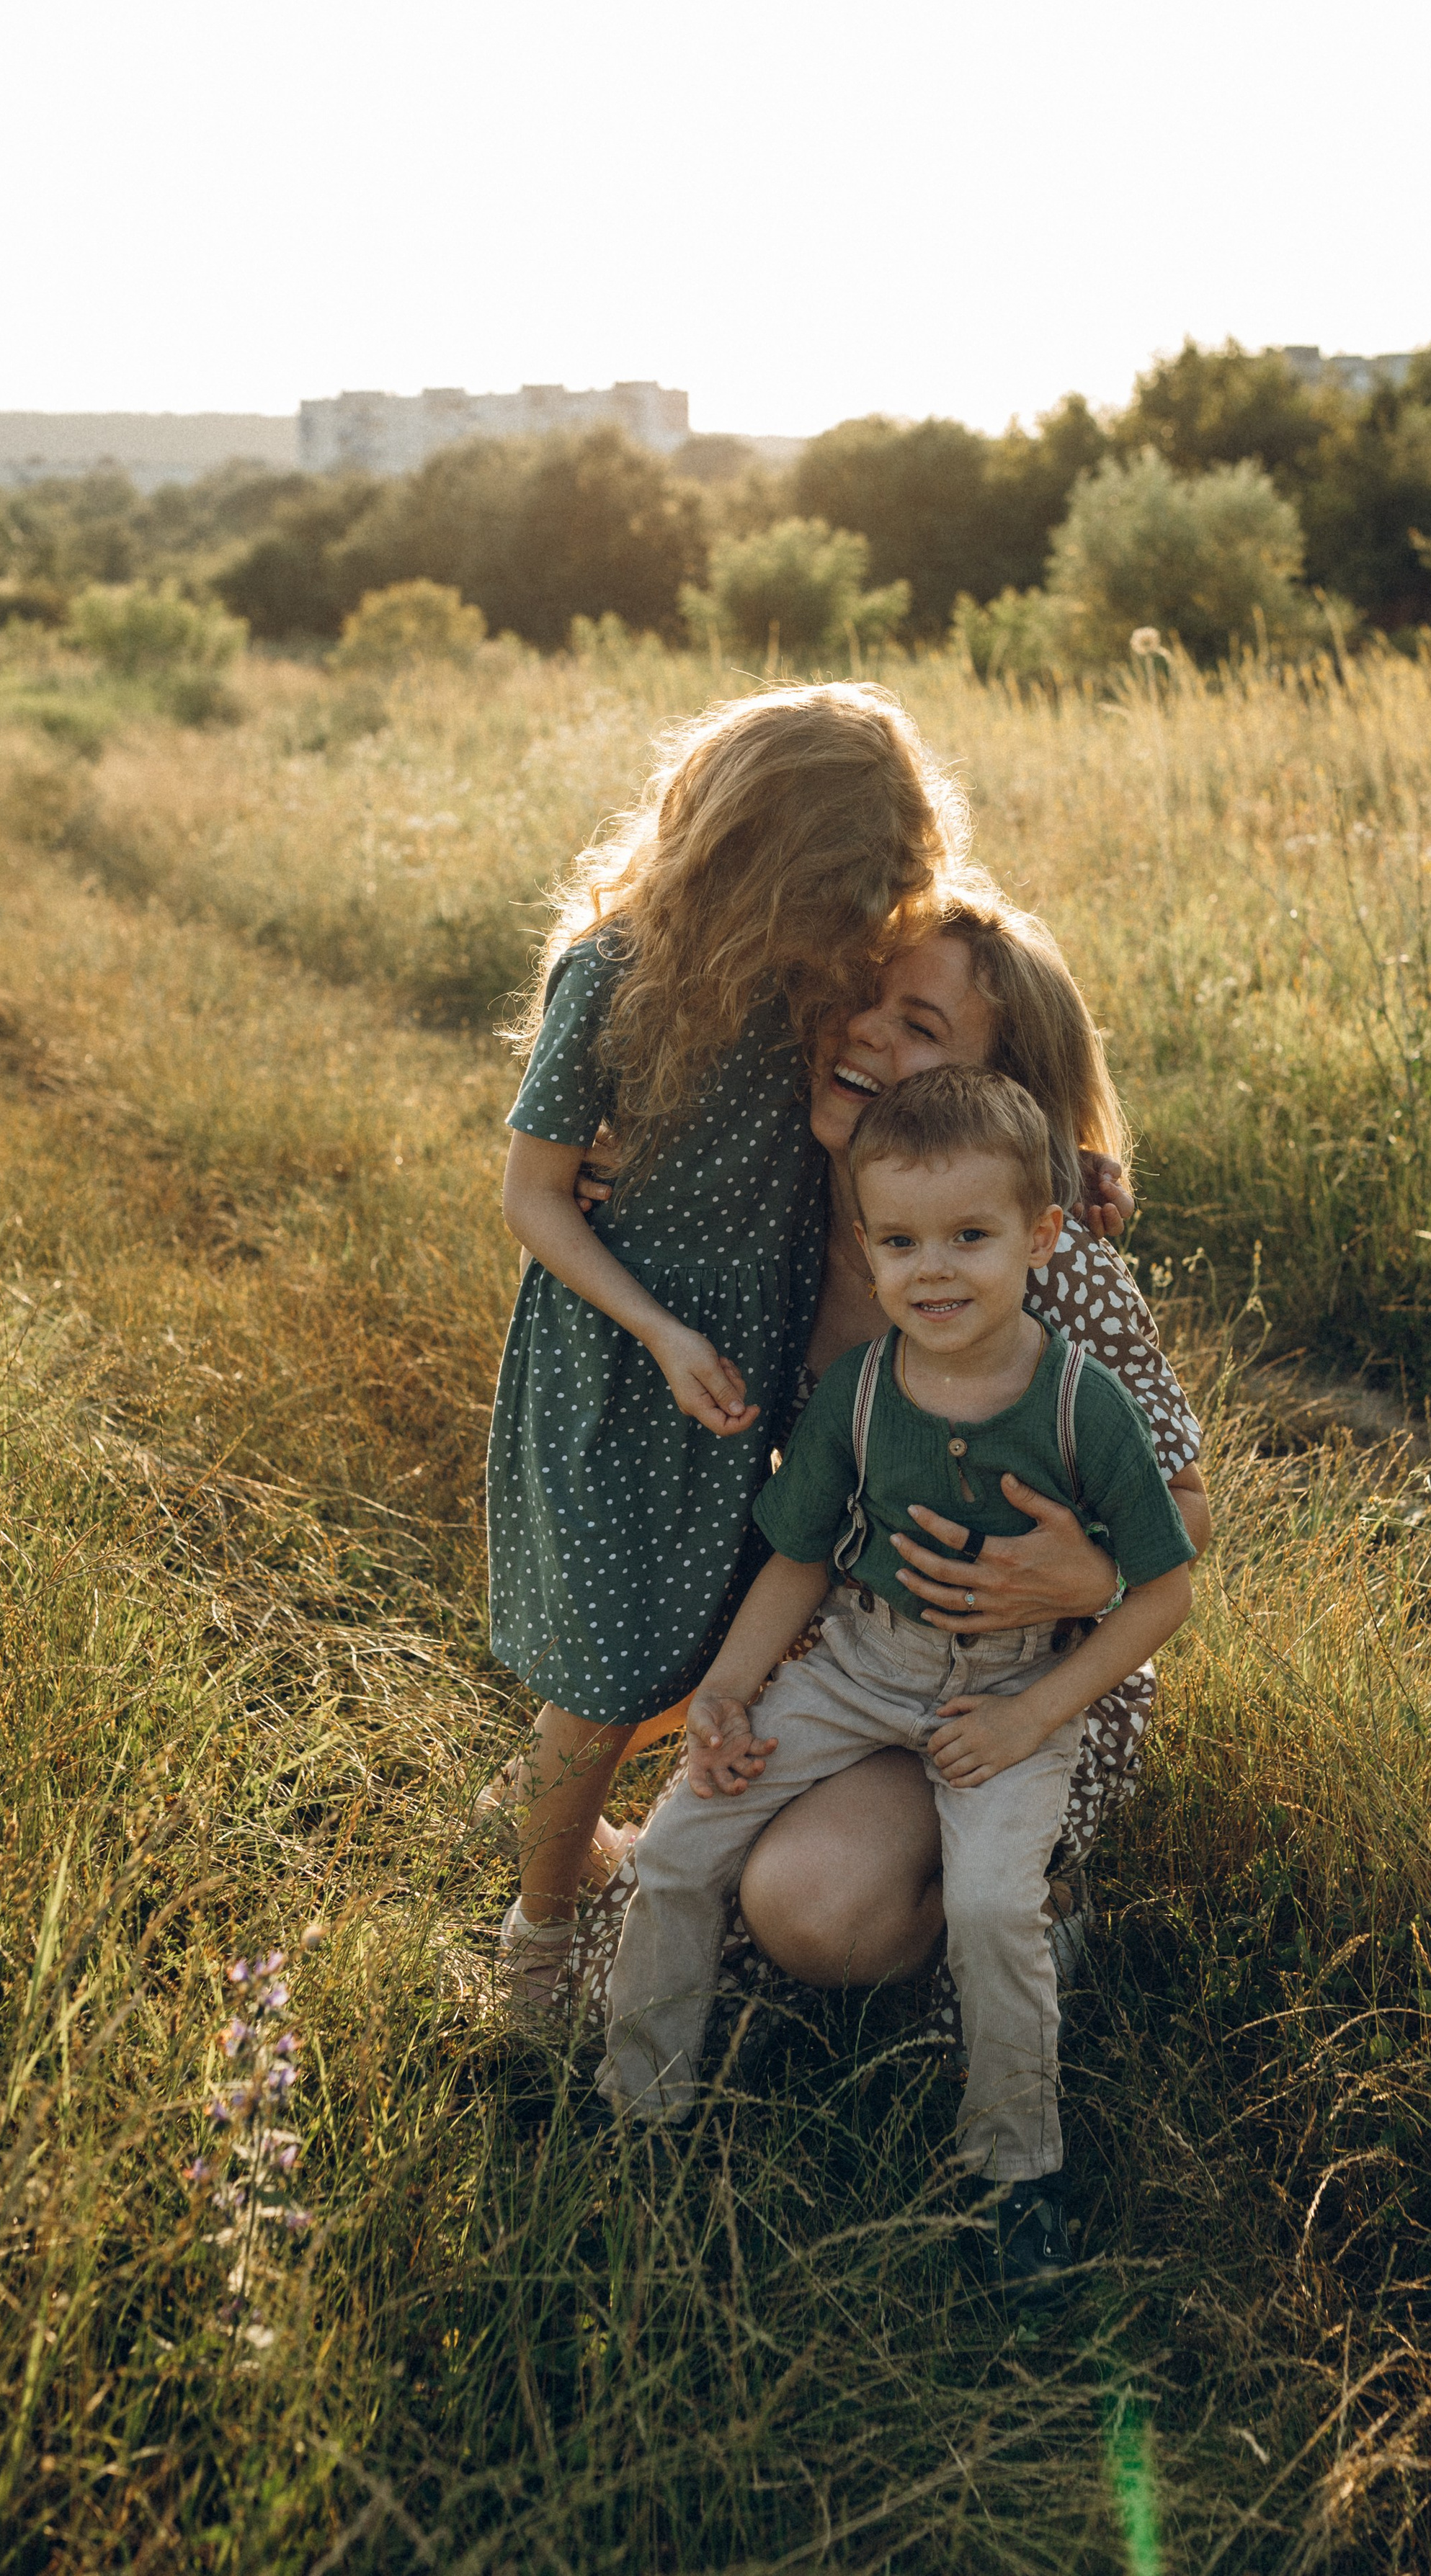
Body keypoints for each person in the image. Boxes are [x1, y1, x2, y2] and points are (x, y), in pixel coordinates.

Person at [563, 894, 1210, 2026]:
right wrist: (613, 1163)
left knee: (809, 1911)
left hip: (1029, 1679)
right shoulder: (770, 1211)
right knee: (638, 1979)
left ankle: (1020, 1906)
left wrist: (1091, 1570)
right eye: (861, 1001)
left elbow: (1188, 1520)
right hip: (842, 1651)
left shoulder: (1053, 1279)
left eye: (919, 1027)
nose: (868, 1033)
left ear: (994, 1098)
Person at [602, 1068, 1195, 2297]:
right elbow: (801, 1559)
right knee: (677, 1846)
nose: (937, 1272)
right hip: (861, 1662)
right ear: (867, 1248)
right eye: (903, 1242)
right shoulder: (862, 1394)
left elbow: (1164, 1591)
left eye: (971, 1238)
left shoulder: (1085, 1406)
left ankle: (1014, 2175)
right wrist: (726, 1692)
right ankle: (640, 2109)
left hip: (1012, 1691)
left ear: (1040, 1237)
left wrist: (1037, 1713)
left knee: (991, 1910)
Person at [485, 681, 966, 2014]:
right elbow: (533, 1193)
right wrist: (654, 1321)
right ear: (754, 850)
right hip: (619, 1371)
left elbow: (967, 1037)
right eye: (831, 898)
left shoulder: (817, 986)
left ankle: (568, 1808)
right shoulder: (614, 974)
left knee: (709, 1633)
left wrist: (1081, 1158)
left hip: (754, 1370)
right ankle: (537, 1939)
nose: (848, 935)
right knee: (603, 1668)